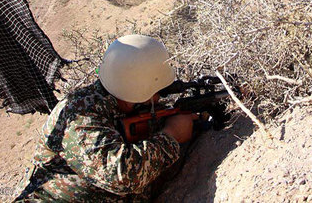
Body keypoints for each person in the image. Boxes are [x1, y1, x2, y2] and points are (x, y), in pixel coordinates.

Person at [14, 34, 196, 202]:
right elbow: (121, 176)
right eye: (159, 91)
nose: (159, 97)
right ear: (139, 89)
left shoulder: (124, 101)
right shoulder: (80, 115)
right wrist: (171, 135)